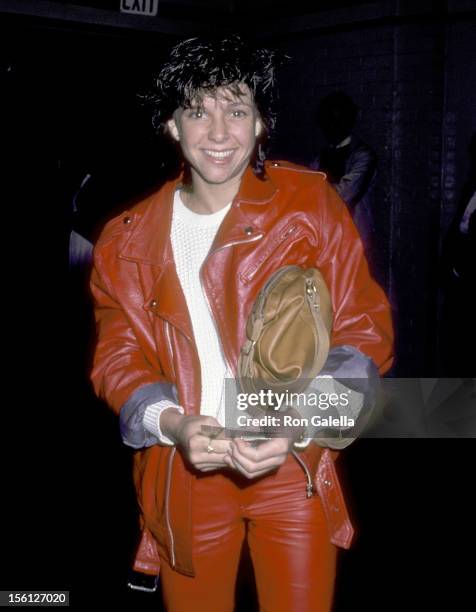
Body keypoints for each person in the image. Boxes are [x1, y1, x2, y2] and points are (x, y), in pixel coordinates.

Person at [90, 35, 393, 612]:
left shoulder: (310, 205)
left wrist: (294, 423)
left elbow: (365, 330)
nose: (220, 132)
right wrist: (175, 424)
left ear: (260, 124)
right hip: (186, 474)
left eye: (237, 109)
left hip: (292, 466)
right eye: (197, 111)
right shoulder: (124, 242)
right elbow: (118, 357)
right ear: (172, 126)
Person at [310, 91, 377, 250]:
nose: (330, 127)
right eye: (327, 122)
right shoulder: (322, 155)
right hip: (328, 236)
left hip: (353, 237)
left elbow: (344, 195)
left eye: (336, 121)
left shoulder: (363, 155)